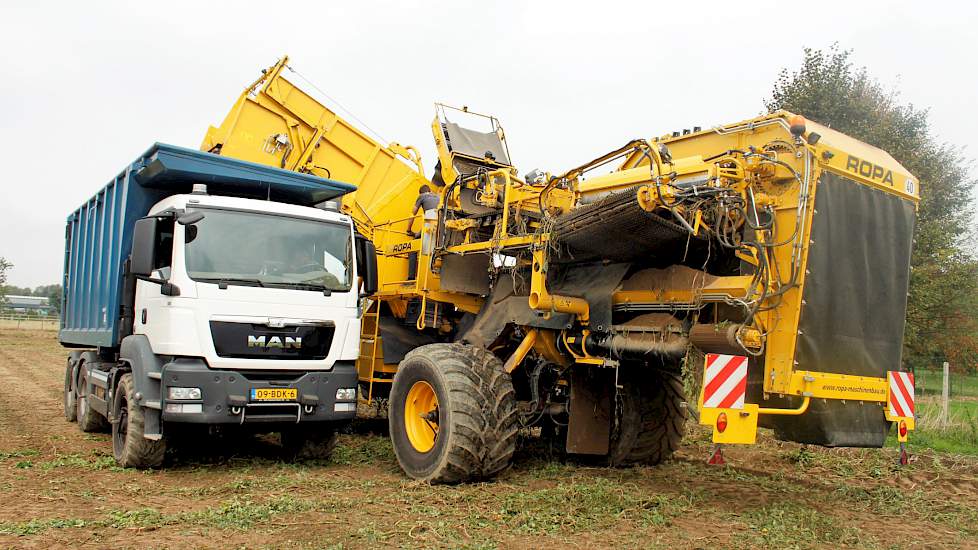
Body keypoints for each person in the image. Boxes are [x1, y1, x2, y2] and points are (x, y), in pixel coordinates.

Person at [408, 185, 439, 256]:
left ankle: (411, 267)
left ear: (421, 193)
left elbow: (413, 214)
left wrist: (409, 229)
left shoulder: (422, 196)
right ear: (430, 190)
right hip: (439, 222)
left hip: (430, 222)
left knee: (413, 245)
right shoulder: (438, 197)